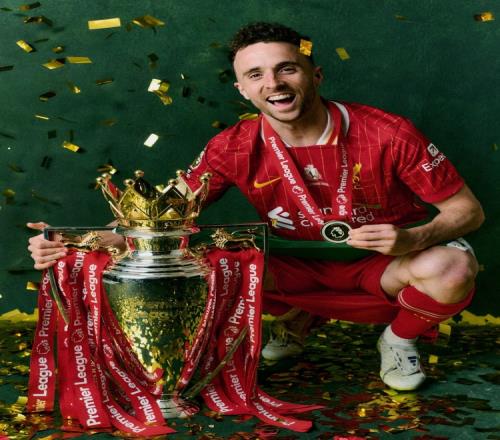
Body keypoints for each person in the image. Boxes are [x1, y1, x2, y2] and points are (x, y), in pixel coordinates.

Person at [28, 22, 484, 391]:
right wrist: (71, 241)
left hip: (382, 264)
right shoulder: (232, 145)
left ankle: (398, 340)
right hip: (292, 265)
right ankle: (295, 321)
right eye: (255, 75)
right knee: (202, 266)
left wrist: (413, 238)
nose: (273, 84)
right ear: (243, 90)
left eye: (287, 69)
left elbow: (468, 211)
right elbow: (161, 216)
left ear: (315, 75)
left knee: (452, 268)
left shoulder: (388, 132)